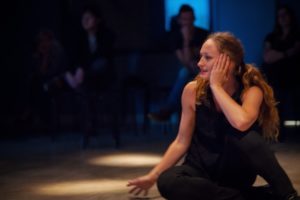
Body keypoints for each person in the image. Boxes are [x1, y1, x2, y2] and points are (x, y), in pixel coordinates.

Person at [127, 32, 299, 200]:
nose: (200, 63)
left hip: (235, 172)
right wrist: (153, 176)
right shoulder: (191, 91)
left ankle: (287, 193)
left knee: (249, 138)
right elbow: (181, 141)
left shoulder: (251, 91)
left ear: (228, 63)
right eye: (200, 56)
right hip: (200, 171)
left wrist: (216, 87)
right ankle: (255, 196)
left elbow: (241, 122)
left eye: (207, 58)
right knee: (167, 182)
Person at [64, 6, 115, 148]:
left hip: (102, 79)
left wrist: (83, 70)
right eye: (83, 18)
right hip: (85, 81)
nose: (85, 21)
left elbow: (102, 57)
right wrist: (71, 72)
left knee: (99, 64)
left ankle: (90, 126)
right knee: (79, 88)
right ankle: (87, 128)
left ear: (97, 20)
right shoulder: (79, 37)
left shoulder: (107, 35)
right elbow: (73, 58)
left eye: (89, 17)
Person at [148, 4, 209, 122]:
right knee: (185, 72)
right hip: (189, 72)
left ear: (194, 18)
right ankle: (172, 112)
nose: (188, 22)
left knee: (185, 72)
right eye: (185, 19)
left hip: (204, 70)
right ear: (180, 20)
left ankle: (168, 110)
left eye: (190, 19)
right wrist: (186, 40)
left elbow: (208, 57)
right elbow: (185, 61)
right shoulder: (175, 37)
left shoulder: (203, 34)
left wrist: (196, 61)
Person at [261, 4, 300, 139]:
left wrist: (278, 54)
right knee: (276, 109)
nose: (282, 18)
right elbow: (267, 57)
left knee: (294, 109)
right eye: (279, 16)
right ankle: (278, 137)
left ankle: (294, 138)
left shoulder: (297, 35)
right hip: (275, 79)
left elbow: (296, 51)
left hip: (293, 78)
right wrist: (286, 53)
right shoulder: (271, 37)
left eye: (285, 15)